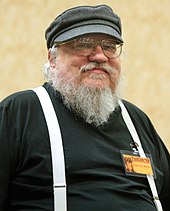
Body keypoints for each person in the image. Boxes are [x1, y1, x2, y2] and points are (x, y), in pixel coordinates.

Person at [0, 4, 169, 211]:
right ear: (52, 59)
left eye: (109, 46)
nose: (100, 56)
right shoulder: (20, 113)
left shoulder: (136, 120)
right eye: (83, 44)